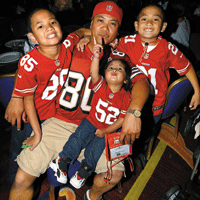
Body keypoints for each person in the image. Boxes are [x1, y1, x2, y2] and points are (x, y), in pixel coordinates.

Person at [8, 1, 150, 200]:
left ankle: (91, 195)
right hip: (60, 122)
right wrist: (17, 95)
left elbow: (143, 82)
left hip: (98, 130)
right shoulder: (68, 46)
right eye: (100, 20)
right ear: (90, 23)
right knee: (21, 178)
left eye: (112, 23)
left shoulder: (119, 59)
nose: (105, 28)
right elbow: (29, 66)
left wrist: (134, 112)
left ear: (118, 31)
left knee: (114, 174)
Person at [6, 7, 90, 181]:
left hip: (51, 115)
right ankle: (13, 179)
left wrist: (94, 36)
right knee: (19, 153)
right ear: (32, 38)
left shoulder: (67, 45)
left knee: (43, 154)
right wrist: (36, 134)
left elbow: (81, 31)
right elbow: (28, 101)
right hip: (29, 119)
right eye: (41, 26)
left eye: (52, 22)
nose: (49, 27)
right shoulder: (30, 62)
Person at [49, 37, 132, 189]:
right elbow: (93, 73)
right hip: (90, 121)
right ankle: (62, 160)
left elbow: (121, 119)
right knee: (78, 139)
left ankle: (83, 171)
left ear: (126, 80)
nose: (114, 70)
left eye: (120, 69)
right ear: (105, 74)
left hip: (106, 129)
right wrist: (96, 57)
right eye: (110, 68)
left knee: (96, 150)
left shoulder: (127, 97)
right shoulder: (101, 86)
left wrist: (106, 130)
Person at [117, 3, 200, 124]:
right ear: (136, 25)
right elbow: (110, 42)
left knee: (142, 138)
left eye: (155, 19)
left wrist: (197, 92)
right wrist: (85, 35)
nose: (149, 22)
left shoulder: (168, 49)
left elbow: (187, 67)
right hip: (126, 101)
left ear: (163, 27)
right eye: (144, 19)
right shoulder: (127, 42)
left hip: (153, 107)